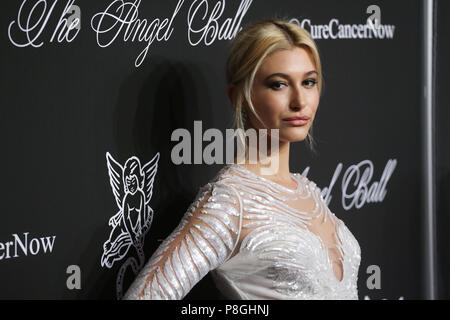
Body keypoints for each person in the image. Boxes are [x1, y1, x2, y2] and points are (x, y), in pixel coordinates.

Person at [123, 18, 361, 300]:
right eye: (279, 85)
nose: (300, 100)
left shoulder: (308, 191)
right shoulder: (229, 200)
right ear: (241, 96)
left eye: (309, 82)